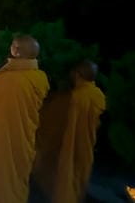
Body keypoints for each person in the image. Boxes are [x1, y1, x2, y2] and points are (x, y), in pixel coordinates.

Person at [0, 34, 50, 203]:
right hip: (22, 142)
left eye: (12, 45)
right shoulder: (40, 79)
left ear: (16, 51)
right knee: (15, 180)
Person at [33, 59, 106, 203]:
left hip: (68, 148)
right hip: (86, 150)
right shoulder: (99, 97)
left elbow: (48, 121)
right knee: (78, 182)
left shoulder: (72, 98)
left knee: (65, 183)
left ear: (77, 75)